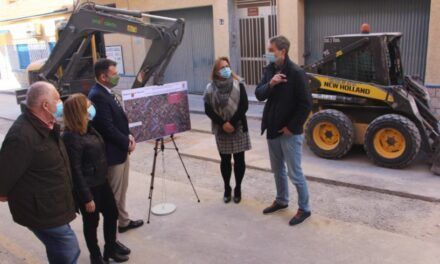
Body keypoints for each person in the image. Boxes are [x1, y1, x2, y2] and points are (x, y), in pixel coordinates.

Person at [0, 81, 80, 263]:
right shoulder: (22, 136)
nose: (61, 103)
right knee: (69, 248)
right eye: (57, 99)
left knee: (57, 249)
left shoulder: (45, 124)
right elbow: (4, 175)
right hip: (41, 210)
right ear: (45, 105)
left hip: (54, 204)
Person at [63, 94, 130, 264]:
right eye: (88, 105)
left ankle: (110, 248)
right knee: (92, 223)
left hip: (101, 181)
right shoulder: (71, 137)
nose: (91, 107)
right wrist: (86, 198)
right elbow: (75, 170)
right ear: (79, 111)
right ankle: (96, 256)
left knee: (112, 213)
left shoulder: (89, 127)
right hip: (89, 188)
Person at [255, 35, 313, 226]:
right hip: (272, 129)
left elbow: (306, 104)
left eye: (271, 50)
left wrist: (292, 127)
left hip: (289, 133)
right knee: (277, 170)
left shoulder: (296, 72)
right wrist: (271, 83)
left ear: (282, 51)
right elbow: (259, 94)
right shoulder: (269, 69)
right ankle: (281, 201)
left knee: (294, 173)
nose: (268, 54)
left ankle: (304, 209)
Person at [88, 58, 144, 233]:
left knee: (122, 190)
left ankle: (124, 221)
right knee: (114, 194)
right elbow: (107, 127)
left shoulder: (107, 92)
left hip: (120, 149)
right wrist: (126, 142)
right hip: (113, 153)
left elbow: (118, 121)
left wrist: (128, 136)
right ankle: (113, 235)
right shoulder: (98, 95)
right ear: (103, 76)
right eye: (115, 74)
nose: (117, 76)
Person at [204, 57, 251, 204]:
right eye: (222, 67)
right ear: (216, 72)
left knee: (239, 160)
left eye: (227, 66)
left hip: (239, 128)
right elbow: (208, 109)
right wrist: (223, 123)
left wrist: (232, 122)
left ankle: (238, 188)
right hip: (221, 129)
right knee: (225, 160)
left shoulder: (239, 84)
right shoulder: (210, 88)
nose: (226, 69)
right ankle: (227, 188)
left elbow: (244, 106)